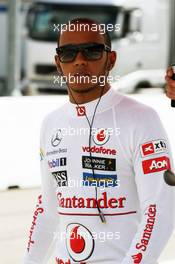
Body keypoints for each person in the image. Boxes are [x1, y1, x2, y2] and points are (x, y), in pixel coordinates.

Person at [24, 18, 174, 264]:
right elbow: (48, 212)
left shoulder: (141, 119)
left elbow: (159, 211)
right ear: (58, 63)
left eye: (92, 51)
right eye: (68, 53)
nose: (80, 60)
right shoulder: (51, 124)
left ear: (110, 60)